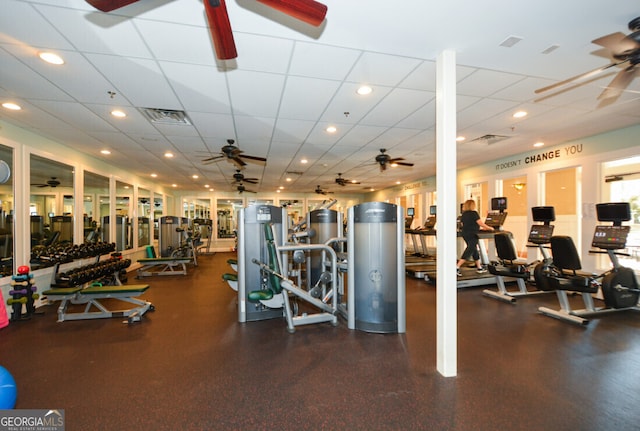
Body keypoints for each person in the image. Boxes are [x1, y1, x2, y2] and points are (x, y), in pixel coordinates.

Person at [456, 199, 494, 276]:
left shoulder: (464, 214)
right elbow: (480, 223)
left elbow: (465, 224)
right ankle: (457, 266)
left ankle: (479, 267)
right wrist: (489, 228)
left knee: (474, 249)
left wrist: (477, 228)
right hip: (472, 233)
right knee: (470, 249)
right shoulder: (474, 213)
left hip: (465, 233)